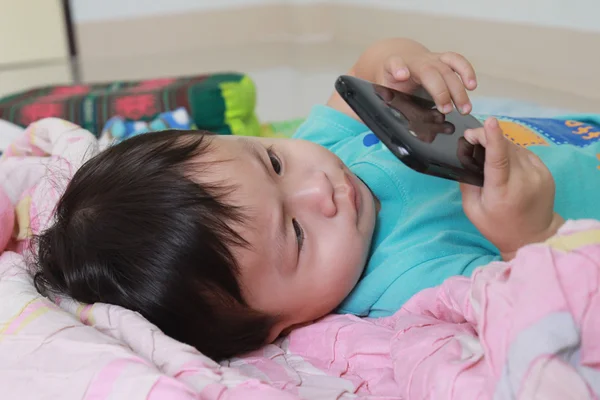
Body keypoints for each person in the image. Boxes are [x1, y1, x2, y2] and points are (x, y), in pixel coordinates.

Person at [32, 38, 600, 360]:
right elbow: (555, 313)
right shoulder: (414, 290)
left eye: (272, 161)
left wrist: (394, 65)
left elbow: (357, 79)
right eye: (298, 235)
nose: (319, 189)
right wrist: (531, 236)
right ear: (272, 330)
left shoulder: (313, 153)